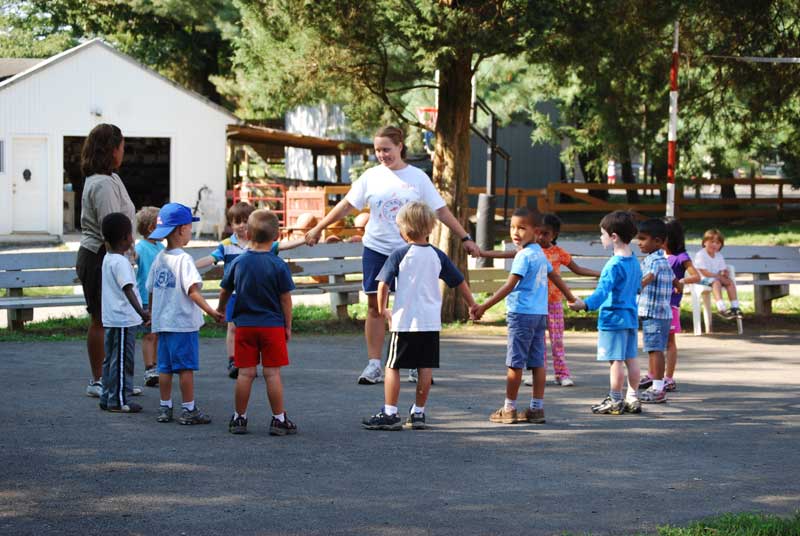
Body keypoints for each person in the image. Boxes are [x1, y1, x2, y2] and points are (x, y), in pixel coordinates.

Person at [304, 126, 480, 385]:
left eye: (386, 149)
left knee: (411, 305)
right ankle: (374, 364)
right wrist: (319, 227)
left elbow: (441, 210)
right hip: (377, 249)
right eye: (377, 150)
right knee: (376, 307)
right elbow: (346, 206)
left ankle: (413, 363)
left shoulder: (417, 178)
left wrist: (465, 237)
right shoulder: (371, 177)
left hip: (411, 252)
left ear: (400, 147)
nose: (382, 155)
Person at [361, 202, 477, 431]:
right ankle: (419, 413)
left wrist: (384, 309)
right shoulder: (437, 256)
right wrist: (472, 304)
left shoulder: (399, 254)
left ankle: (390, 412)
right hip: (430, 322)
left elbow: (383, 283)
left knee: (393, 366)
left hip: (404, 321)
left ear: (403, 231)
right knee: (425, 366)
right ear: (430, 228)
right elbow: (459, 281)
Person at [472, 208, 578, 424]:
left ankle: (509, 408)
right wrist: (570, 297)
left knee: (516, 362)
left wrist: (483, 306)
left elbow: (509, 286)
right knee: (538, 362)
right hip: (540, 315)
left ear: (536, 231)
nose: (515, 232)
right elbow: (554, 276)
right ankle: (536, 408)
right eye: (512, 227)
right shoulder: (539, 253)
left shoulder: (524, 256)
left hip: (521, 315)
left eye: (522, 227)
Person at [478, 213, 599, 387]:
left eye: (546, 234)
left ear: (554, 235)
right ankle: (535, 372)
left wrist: (600, 274)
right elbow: (504, 253)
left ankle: (562, 373)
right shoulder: (529, 251)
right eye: (539, 233)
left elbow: (577, 269)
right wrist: (482, 252)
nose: (541, 237)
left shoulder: (558, 253)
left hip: (554, 303)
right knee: (538, 341)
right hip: (536, 305)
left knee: (557, 341)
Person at [196, 202, 306, 379]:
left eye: (245, 221)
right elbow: (211, 258)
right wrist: (191, 265)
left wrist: (304, 239)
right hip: (234, 294)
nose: (240, 225)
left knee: (249, 330)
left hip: (253, 294)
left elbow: (284, 245)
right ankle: (233, 360)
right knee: (232, 328)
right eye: (236, 222)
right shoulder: (226, 245)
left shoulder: (262, 242)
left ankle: (250, 361)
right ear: (231, 225)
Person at [217, 210, 298, 436]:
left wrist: (221, 309)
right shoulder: (278, 265)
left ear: (249, 233)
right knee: (272, 374)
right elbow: (285, 299)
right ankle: (278, 419)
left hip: (244, 326)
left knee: (245, 374)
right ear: (276, 235)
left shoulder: (238, 262)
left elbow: (226, 290)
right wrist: (288, 326)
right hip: (272, 326)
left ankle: (239, 418)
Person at [147, 203, 224, 425]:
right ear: (181, 229)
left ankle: (165, 407)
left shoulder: (159, 258)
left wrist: (153, 312)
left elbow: (151, 289)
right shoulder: (184, 259)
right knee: (185, 369)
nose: (190, 231)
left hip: (163, 323)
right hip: (182, 323)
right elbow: (192, 291)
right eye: (190, 227)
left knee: (164, 368)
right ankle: (189, 409)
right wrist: (211, 311)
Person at [75, 124, 135, 398]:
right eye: (122, 147)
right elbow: (112, 226)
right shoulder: (101, 184)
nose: (124, 152)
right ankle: (99, 380)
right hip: (100, 256)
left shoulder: (110, 178)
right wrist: (125, 257)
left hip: (106, 255)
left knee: (110, 319)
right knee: (101, 319)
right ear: (111, 149)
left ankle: (114, 378)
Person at [569, 210, 642, 415]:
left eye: (602, 234)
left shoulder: (613, 265)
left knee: (616, 361)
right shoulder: (635, 261)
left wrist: (584, 305)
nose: (601, 238)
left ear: (613, 236)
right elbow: (637, 287)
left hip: (613, 318)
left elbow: (602, 293)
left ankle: (615, 399)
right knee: (631, 358)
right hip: (630, 316)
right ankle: (633, 397)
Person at [640, 217, 699, 393]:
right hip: (657, 305)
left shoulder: (678, 257)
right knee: (654, 344)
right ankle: (653, 375)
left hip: (668, 306)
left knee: (666, 343)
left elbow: (695, 276)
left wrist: (679, 282)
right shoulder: (659, 258)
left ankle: (667, 378)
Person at [99, 213, 150, 413]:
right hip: (123, 319)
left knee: (110, 359)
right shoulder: (121, 263)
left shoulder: (108, 258)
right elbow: (128, 289)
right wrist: (142, 312)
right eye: (131, 234)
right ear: (125, 238)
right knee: (122, 361)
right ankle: (119, 400)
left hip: (112, 318)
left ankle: (107, 396)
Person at [635, 219, 675, 404]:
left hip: (655, 313)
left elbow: (648, 277)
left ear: (658, 241)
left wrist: (635, 287)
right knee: (653, 349)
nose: (639, 242)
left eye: (643, 239)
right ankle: (655, 382)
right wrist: (677, 286)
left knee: (655, 350)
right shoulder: (662, 260)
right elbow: (675, 280)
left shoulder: (655, 260)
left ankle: (658, 388)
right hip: (660, 313)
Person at [134, 206, 164, 387]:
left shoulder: (161, 247)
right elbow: (131, 258)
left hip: (161, 298)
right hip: (146, 299)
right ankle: (149, 368)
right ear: (152, 228)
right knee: (149, 335)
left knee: (159, 334)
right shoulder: (141, 248)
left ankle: (159, 367)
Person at [693, 228, 741, 319]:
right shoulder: (701, 255)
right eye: (712, 242)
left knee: (729, 281)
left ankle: (735, 307)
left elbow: (721, 269)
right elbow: (704, 272)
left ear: (721, 245)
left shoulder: (719, 256)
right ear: (704, 242)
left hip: (715, 278)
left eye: (718, 243)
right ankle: (721, 308)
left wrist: (724, 273)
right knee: (716, 282)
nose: (714, 244)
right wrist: (719, 277)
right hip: (701, 279)